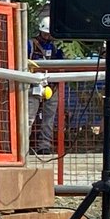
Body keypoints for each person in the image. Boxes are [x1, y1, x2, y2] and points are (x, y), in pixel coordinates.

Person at [28, 16, 65, 156]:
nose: (48, 36)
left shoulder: (56, 47)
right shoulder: (30, 45)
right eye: (45, 33)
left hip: (52, 86)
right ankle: (24, 147)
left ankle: (44, 146)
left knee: (49, 119)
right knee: (29, 118)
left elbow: (61, 64)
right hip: (34, 85)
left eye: (50, 33)